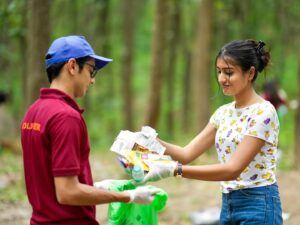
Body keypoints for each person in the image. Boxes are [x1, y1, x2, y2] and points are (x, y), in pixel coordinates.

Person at [20, 35, 159, 225]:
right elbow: (67, 192)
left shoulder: (33, 112)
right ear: (72, 66)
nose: (92, 80)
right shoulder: (66, 117)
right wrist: (127, 196)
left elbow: (51, 180)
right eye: (91, 71)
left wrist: (97, 187)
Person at [143, 40, 283, 224]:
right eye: (219, 71)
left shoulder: (263, 112)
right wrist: (152, 142)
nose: (221, 79)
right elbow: (186, 154)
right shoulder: (223, 113)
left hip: (259, 204)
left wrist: (174, 170)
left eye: (229, 72)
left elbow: (233, 170)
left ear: (250, 73)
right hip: (228, 204)